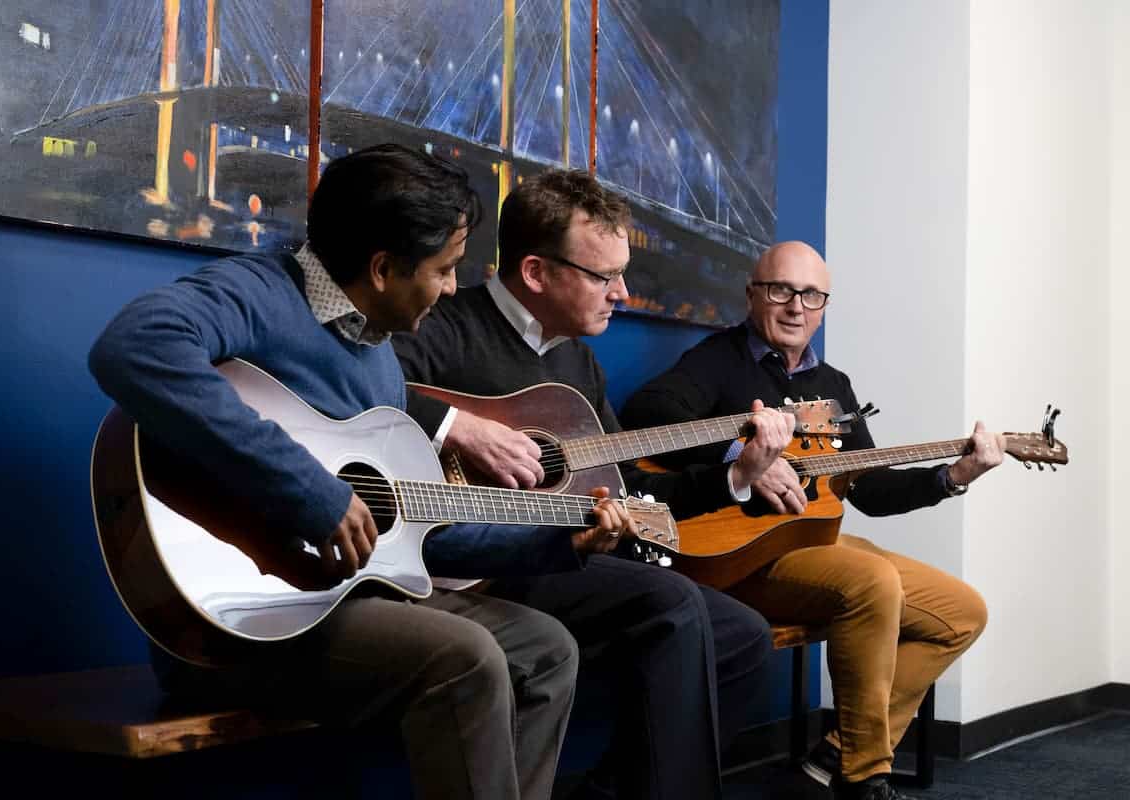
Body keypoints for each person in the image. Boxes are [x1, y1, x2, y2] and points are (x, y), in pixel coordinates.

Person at [88, 144, 638, 800]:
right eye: (443, 270)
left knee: (546, 649)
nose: (452, 289)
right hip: (239, 624)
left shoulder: (376, 354)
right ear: (382, 268)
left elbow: (415, 531)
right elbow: (133, 345)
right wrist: (308, 491)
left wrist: (561, 540)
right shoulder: (260, 291)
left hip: (340, 600)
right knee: (467, 658)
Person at [392, 169, 793, 800]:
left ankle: (613, 790)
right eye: (604, 276)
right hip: (465, 559)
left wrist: (737, 475)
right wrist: (458, 426)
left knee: (743, 638)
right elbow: (357, 395)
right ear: (535, 273)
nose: (622, 293)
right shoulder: (443, 324)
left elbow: (628, 489)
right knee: (672, 603)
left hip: (558, 554)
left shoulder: (577, 360)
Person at [621, 240, 993, 800]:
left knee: (963, 612)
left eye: (812, 295)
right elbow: (648, 416)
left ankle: (832, 758)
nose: (797, 306)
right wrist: (742, 462)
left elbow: (870, 488)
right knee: (871, 582)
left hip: (819, 540)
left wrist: (953, 476)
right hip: (743, 556)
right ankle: (865, 778)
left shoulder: (835, 386)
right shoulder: (718, 361)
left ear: (824, 306)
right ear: (753, 295)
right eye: (781, 290)